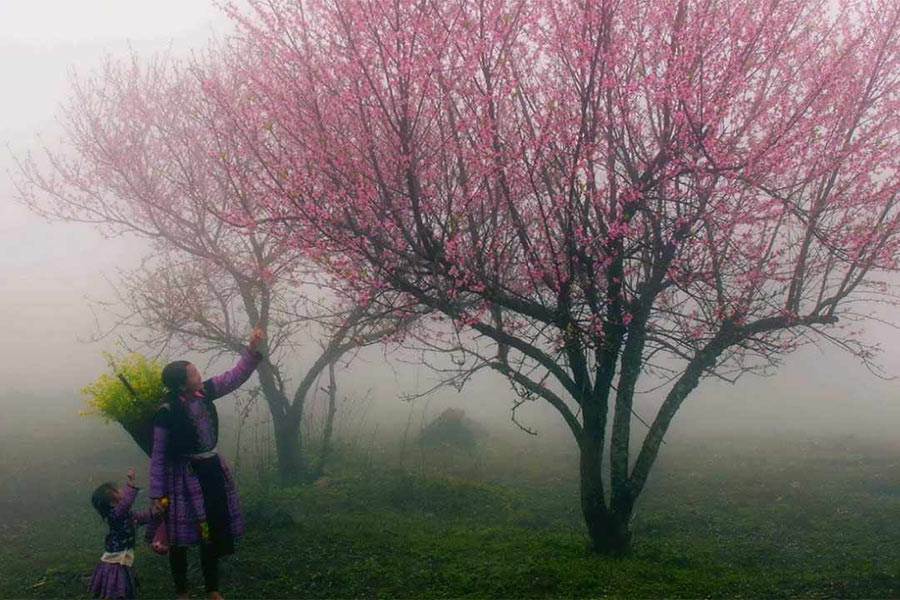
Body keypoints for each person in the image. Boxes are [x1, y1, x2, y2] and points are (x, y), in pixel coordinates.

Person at [149, 324, 264, 600]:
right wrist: (157, 494)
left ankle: (212, 588)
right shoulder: (167, 412)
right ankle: (182, 591)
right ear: (180, 383)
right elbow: (159, 455)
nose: (200, 375)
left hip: (210, 471)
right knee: (179, 538)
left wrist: (251, 349)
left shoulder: (206, 393)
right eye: (193, 373)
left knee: (209, 531)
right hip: (183, 478)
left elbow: (234, 377)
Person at [89, 469, 153, 599]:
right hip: (115, 562)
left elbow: (140, 517)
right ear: (113, 502)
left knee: (123, 586)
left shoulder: (124, 515)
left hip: (122, 558)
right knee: (118, 587)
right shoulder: (115, 516)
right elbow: (126, 503)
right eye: (118, 490)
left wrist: (153, 513)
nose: (122, 491)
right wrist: (131, 483)